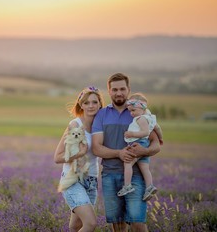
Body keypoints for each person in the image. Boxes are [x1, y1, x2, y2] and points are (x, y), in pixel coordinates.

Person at [92, 73, 161, 232]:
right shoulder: (101, 114)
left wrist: (144, 151)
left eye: (122, 89)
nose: (119, 93)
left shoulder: (139, 112)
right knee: (118, 226)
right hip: (110, 175)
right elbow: (96, 148)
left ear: (128, 89)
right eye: (114, 89)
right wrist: (119, 154)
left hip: (136, 175)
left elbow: (156, 144)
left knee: (138, 223)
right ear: (109, 91)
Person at [54, 86, 104, 232]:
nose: (91, 106)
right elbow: (57, 157)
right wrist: (79, 154)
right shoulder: (75, 125)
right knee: (90, 223)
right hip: (73, 180)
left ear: (100, 104)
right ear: (81, 105)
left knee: (76, 226)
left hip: (92, 180)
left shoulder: (100, 125)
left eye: (94, 102)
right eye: (86, 103)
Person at [117, 92, 164, 201]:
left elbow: (145, 132)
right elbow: (158, 129)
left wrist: (132, 134)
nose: (131, 113)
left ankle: (127, 185)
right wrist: (161, 138)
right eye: (130, 111)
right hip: (145, 144)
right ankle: (149, 186)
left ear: (142, 108)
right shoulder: (150, 118)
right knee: (145, 168)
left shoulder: (141, 119)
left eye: (133, 110)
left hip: (139, 143)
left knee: (128, 162)